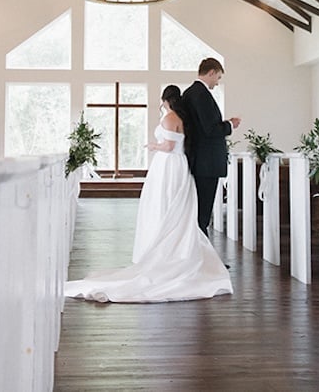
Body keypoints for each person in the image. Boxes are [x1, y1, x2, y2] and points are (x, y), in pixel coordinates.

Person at [64, 85, 232, 303]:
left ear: (165, 99)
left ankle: (163, 251)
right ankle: (177, 248)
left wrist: (154, 146)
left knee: (163, 204)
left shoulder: (170, 118)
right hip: (179, 166)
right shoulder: (182, 116)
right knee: (176, 208)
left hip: (169, 165)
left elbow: (170, 145)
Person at [182, 58, 241, 236]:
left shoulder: (192, 93)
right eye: (218, 77)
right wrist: (230, 125)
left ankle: (203, 255)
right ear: (211, 72)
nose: (217, 82)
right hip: (206, 161)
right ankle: (203, 257)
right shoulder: (200, 94)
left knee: (200, 211)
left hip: (201, 160)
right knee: (203, 213)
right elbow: (209, 129)